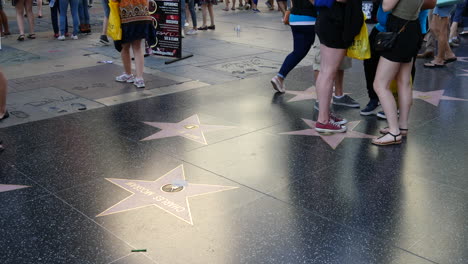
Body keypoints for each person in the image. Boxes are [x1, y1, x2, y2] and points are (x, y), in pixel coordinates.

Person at [372, 0, 427, 145]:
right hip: (412, 26)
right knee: (404, 81)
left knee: (380, 84)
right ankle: (402, 126)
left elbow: (386, 6)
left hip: (399, 29)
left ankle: (394, 132)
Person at [313, 0, 363, 133]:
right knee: (328, 73)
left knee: (325, 72)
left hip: (330, 21)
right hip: (335, 24)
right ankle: (323, 120)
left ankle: (325, 115)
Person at [271, 0, 316, 93]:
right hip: (310, 19)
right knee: (324, 52)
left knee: (297, 52)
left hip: (295, 17)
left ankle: (279, 77)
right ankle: (327, 84)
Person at [113, 0, 156, 88]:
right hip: (142, 15)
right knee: (137, 47)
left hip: (126, 16)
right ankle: (139, 78)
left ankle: (128, 74)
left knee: (125, 47)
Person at [311, 37, 359, 110]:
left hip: (342, 30)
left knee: (341, 59)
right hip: (325, 31)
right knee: (321, 62)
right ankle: (321, 101)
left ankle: (339, 96)